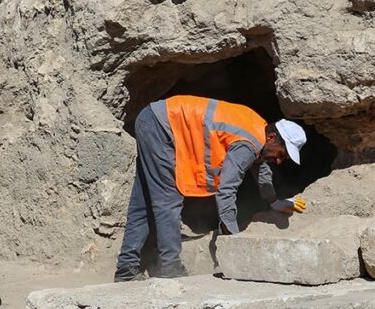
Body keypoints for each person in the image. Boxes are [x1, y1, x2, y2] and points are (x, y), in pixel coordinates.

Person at [114, 95, 309, 282]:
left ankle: (126, 269)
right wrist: (233, 238)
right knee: (168, 199)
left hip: (156, 120)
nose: (279, 161)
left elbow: (261, 169)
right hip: (162, 126)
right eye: (282, 154)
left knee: (143, 201)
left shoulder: (258, 131)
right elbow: (226, 190)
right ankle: (170, 268)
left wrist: (274, 202)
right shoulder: (248, 144)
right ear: (273, 138)